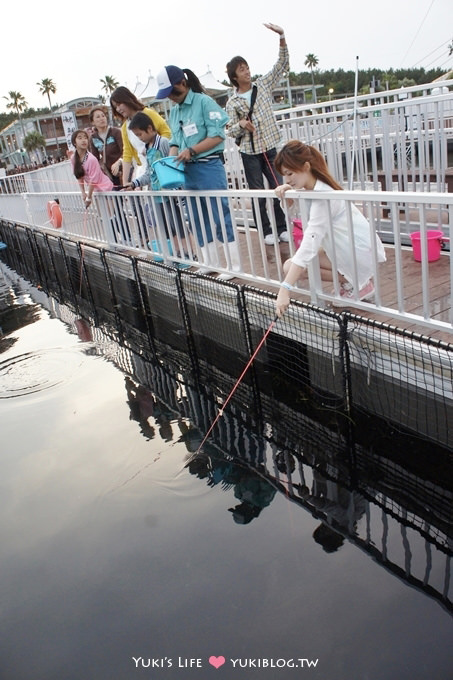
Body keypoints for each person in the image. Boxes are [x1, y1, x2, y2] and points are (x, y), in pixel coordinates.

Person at [273, 141, 386, 316]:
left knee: (295, 265)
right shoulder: (312, 189)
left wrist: (285, 289)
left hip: (357, 250)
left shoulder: (323, 196)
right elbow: (297, 213)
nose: (287, 179)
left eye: (290, 173)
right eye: (284, 175)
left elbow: (310, 241)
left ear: (306, 167)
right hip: (349, 248)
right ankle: (353, 281)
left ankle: (360, 284)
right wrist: (288, 197)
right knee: (290, 266)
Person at [155, 65, 241, 279]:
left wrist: (191, 150)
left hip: (209, 166)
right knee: (196, 217)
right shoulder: (174, 111)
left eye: (172, 93)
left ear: (182, 84)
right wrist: (172, 158)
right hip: (187, 171)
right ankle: (209, 262)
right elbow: (175, 140)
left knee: (220, 214)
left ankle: (233, 266)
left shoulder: (204, 102)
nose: (171, 99)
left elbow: (218, 136)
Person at [226, 23, 289, 246]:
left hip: (269, 146)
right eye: (242, 69)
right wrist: (242, 124)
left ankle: (282, 228)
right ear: (235, 77)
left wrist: (281, 36)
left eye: (247, 67)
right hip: (249, 152)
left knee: (277, 187)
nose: (247, 71)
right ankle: (265, 231)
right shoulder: (232, 101)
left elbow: (281, 65)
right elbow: (229, 129)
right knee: (258, 193)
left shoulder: (261, 86)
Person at [124, 111, 189, 261]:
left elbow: (172, 165)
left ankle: (187, 252)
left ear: (150, 128)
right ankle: (176, 253)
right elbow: (149, 172)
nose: (140, 138)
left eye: (140, 134)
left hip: (169, 192)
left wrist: (178, 190)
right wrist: (134, 183)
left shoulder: (164, 142)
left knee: (178, 224)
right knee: (166, 226)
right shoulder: (148, 148)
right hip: (157, 194)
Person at [109, 86, 171, 186]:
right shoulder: (125, 127)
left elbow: (166, 132)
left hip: (161, 165)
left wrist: (154, 150)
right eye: (115, 107)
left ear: (127, 99)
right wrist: (125, 182)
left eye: (119, 104)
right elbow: (127, 153)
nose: (118, 109)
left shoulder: (148, 113)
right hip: (144, 170)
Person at [70, 129, 113, 208]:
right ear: (74, 142)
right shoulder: (73, 159)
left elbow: (93, 181)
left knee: (111, 216)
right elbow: (79, 176)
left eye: (85, 138)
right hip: (97, 191)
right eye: (80, 138)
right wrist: (83, 192)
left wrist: (89, 198)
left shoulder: (91, 159)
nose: (83, 140)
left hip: (106, 188)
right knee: (102, 216)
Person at [88, 106, 123, 187]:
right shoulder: (93, 138)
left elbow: (125, 150)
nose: (102, 118)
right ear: (93, 122)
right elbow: (95, 159)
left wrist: (119, 162)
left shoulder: (115, 132)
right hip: (108, 174)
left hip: (122, 170)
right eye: (98, 117)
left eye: (103, 116)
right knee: (115, 197)